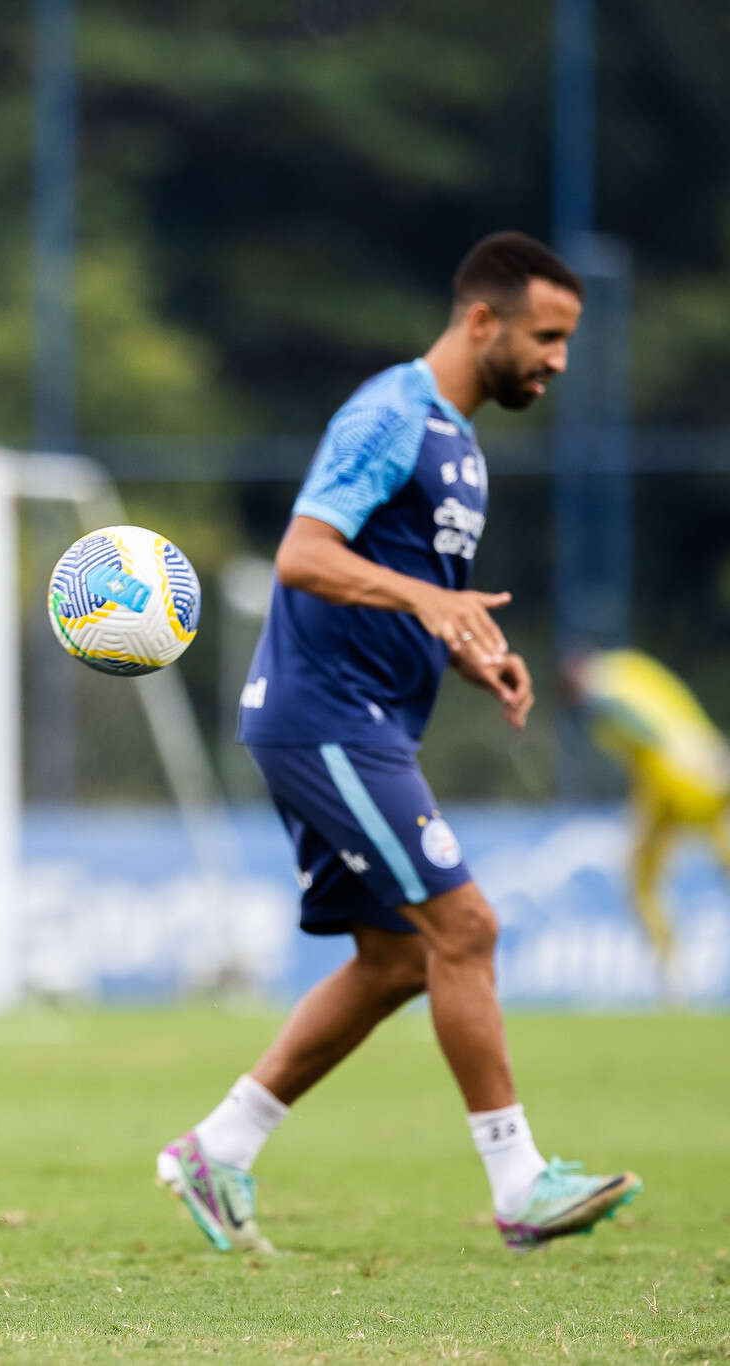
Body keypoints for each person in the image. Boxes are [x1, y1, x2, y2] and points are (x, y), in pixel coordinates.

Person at [159, 232, 641, 1254]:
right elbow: (303, 555)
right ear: (482, 321)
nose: (557, 358)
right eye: (546, 336)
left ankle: (217, 1146)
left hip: (360, 719)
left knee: (393, 960)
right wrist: (429, 597)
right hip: (322, 717)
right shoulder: (391, 413)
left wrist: (465, 646)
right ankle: (518, 1182)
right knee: (464, 929)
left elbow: (393, 588)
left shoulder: (457, 439)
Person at [564, 646, 730, 987]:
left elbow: (641, 720)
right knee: (640, 878)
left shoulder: (609, 680)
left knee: (650, 877)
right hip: (660, 787)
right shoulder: (628, 674)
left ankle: (672, 971)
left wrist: (707, 753)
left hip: (691, 774)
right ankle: (671, 972)